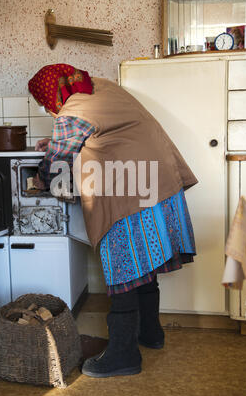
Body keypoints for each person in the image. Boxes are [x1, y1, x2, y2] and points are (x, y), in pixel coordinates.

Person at [28, 63, 198, 378]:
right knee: (146, 265)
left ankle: (123, 355)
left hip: (131, 190)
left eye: (42, 101)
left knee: (124, 269)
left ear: (49, 94)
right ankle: (151, 333)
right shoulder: (98, 86)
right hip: (159, 183)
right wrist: (57, 144)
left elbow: (55, 167)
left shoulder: (71, 111)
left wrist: (39, 180)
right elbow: (101, 132)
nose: (46, 108)